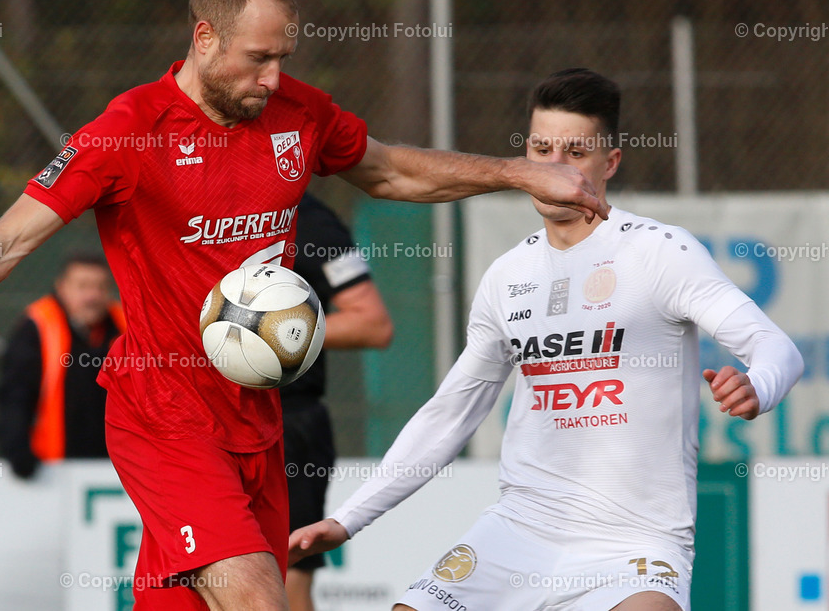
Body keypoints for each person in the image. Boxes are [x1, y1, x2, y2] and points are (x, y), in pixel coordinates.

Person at [0, 0, 607, 611]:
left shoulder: (298, 114)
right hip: (161, 412)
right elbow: (2, 243)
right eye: (258, 58)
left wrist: (517, 172)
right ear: (204, 37)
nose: (273, 77)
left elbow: (392, 171)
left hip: (258, 418)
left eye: (284, 58)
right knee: (261, 596)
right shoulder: (128, 131)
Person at [289, 68, 803, 611]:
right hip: (518, 531)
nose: (554, 167)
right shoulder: (508, 275)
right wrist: (348, 519)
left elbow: (778, 350)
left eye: (575, 152)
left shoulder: (659, 252)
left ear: (611, 162)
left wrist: (758, 385)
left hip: (634, 545)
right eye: (541, 149)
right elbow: (450, 413)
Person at [284, 193, 393, 611]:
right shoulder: (182, 205)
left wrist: (271, 332)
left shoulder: (308, 219)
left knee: (285, 575)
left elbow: (373, 323)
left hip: (285, 424)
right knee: (197, 575)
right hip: (195, 422)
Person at [0, 252, 125, 479]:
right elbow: (15, 394)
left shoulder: (125, 324)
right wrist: (17, 450)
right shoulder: (38, 325)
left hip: (119, 467)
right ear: (62, 288)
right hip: (52, 468)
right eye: (83, 286)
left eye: (101, 287)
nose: (93, 296)